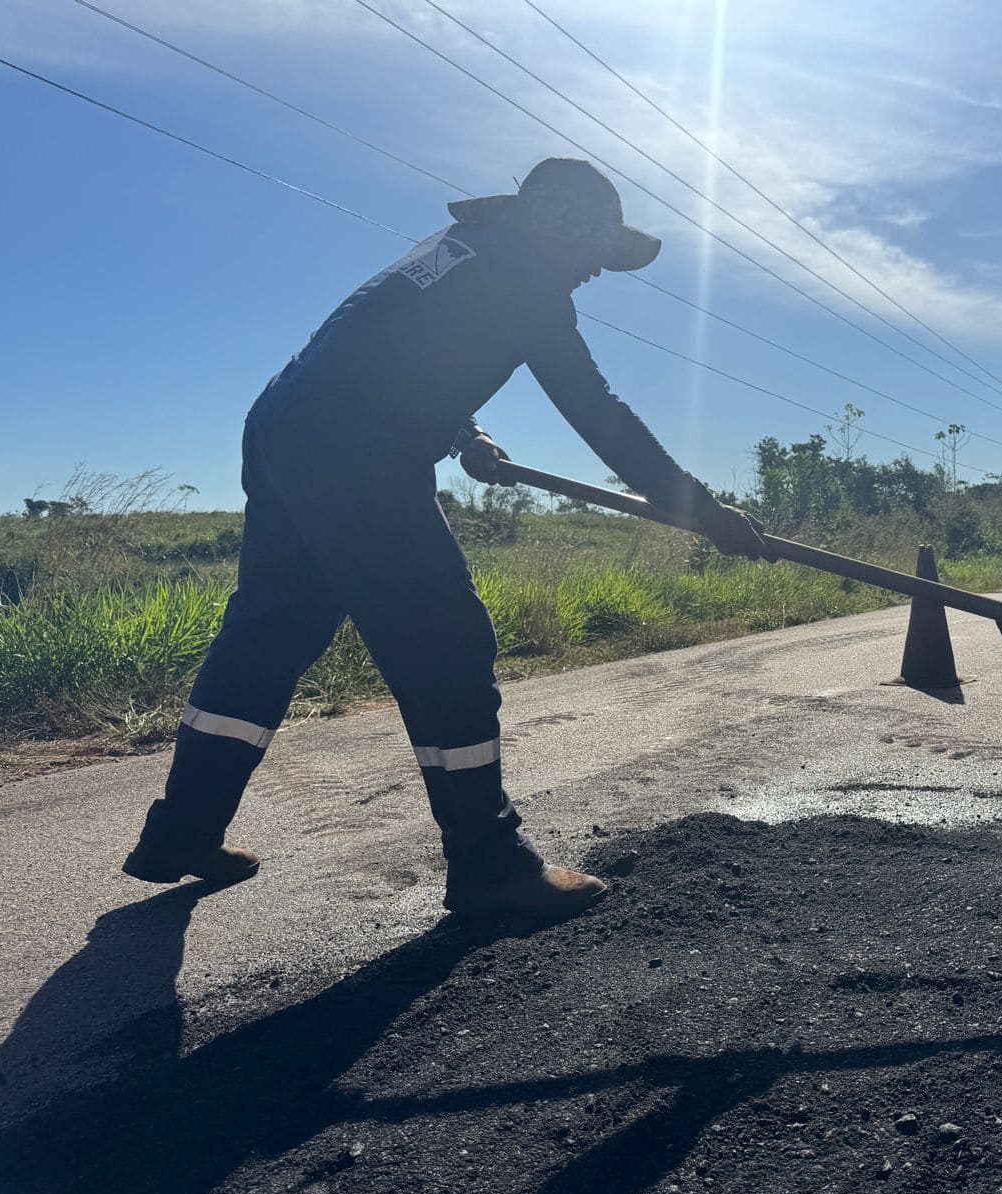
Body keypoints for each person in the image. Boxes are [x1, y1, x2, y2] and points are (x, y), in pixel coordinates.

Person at [121, 157, 769, 918]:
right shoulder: (527, 276)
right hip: (354, 447)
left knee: (269, 634)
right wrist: (704, 511)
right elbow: (598, 411)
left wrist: (467, 432)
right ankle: (490, 862)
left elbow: (390, 350)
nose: (595, 270)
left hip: (284, 426)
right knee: (446, 642)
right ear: (559, 232)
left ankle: (181, 832)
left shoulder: (458, 253)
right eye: (594, 251)